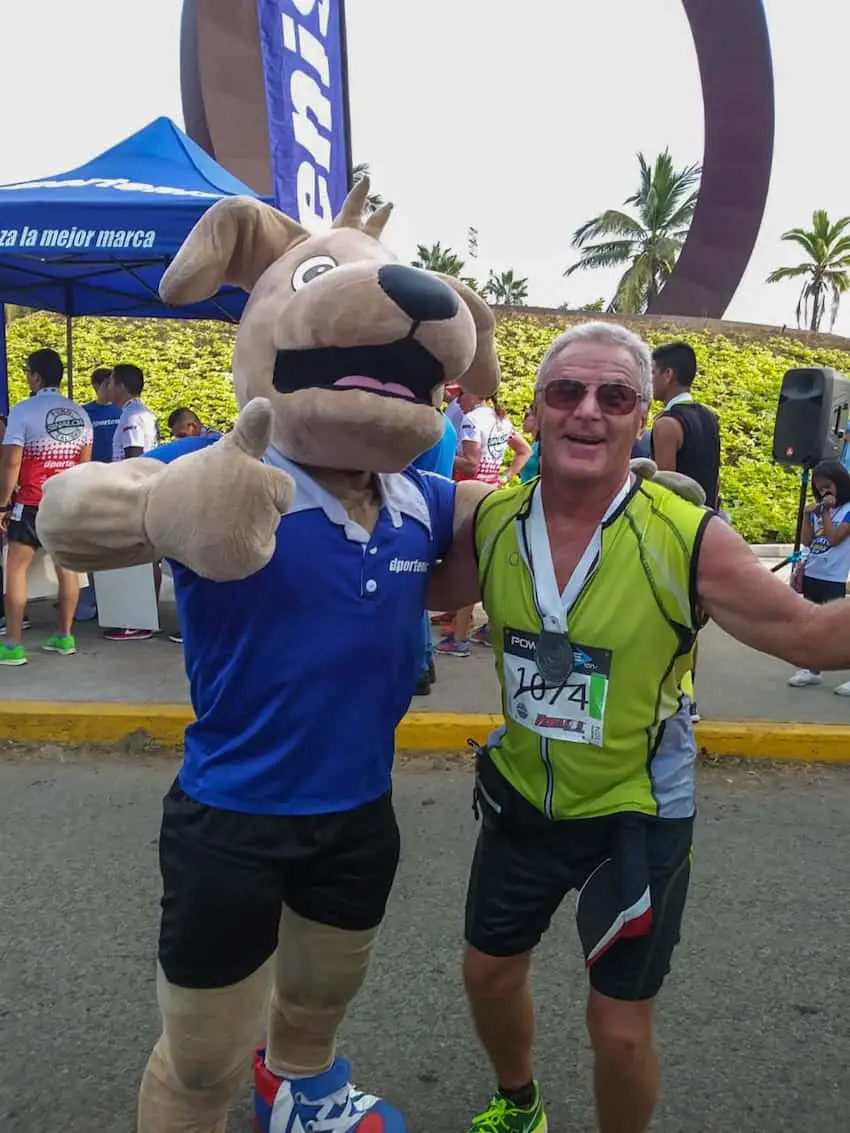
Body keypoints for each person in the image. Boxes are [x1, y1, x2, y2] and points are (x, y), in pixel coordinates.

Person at [36, 175, 501, 1133]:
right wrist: (167, 508)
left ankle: (299, 1095)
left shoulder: (419, 495)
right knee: (203, 1058)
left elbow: (504, 545)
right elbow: (68, 516)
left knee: (317, 1012)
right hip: (233, 817)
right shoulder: (229, 468)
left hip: (358, 812)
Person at [426, 321, 850, 1133]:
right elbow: (397, 585)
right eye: (567, 392)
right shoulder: (493, 523)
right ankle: (519, 1104)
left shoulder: (686, 538)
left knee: (618, 1031)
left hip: (637, 809)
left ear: (639, 413)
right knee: (486, 973)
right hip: (522, 794)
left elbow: (809, 635)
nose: (589, 411)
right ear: (538, 411)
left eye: (614, 396)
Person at [0, 348, 92, 665]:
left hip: (30, 502)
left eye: (28, 372)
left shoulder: (22, 411)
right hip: (66, 502)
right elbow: (84, 465)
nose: (27, 377)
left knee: (15, 569)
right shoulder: (80, 413)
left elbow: (11, 462)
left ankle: (12, 644)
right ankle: (64, 636)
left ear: (36, 376)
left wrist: (1, 504)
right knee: (67, 568)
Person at [650, 341, 720, 721]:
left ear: (668, 375)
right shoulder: (709, 418)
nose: (650, 380)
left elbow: (665, 488)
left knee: (666, 616)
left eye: (652, 372)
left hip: (674, 531)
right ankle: (688, 698)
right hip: (704, 526)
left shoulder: (666, 424)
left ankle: (670, 693)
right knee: (692, 619)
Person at [436, 394, 531, 657]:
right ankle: (471, 624)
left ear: (476, 393)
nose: (456, 400)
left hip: (470, 497)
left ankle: (459, 638)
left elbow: (470, 464)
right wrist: (505, 476)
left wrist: (439, 453)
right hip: (493, 493)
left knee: (467, 562)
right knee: (483, 561)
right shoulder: (499, 418)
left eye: (461, 394)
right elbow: (525, 450)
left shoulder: (471, 420)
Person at [103, 364, 163, 642]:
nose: (108, 387)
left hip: (134, 493)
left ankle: (137, 620)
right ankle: (145, 615)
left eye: (111, 381)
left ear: (122, 386)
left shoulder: (132, 416)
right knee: (146, 556)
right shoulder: (144, 412)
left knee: (135, 556)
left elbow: (134, 456)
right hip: (149, 490)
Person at [787, 459, 850, 694]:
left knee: (839, 630)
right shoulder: (818, 509)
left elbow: (834, 538)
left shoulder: (847, 510)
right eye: (819, 487)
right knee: (812, 625)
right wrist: (807, 515)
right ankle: (812, 670)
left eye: (828, 486)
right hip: (814, 571)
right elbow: (807, 540)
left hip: (833, 577)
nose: (823, 491)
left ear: (840, 483)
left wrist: (824, 511)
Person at [411, 406, 458, 695]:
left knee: (410, 590)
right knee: (419, 589)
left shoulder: (421, 425)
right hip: (436, 506)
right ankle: (425, 662)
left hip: (415, 505)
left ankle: (419, 668)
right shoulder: (447, 426)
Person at [83, 367, 122, 462]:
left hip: (118, 466)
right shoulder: (85, 412)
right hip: (96, 467)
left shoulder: (122, 409)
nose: (110, 388)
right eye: (107, 384)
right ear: (96, 386)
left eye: (112, 384)